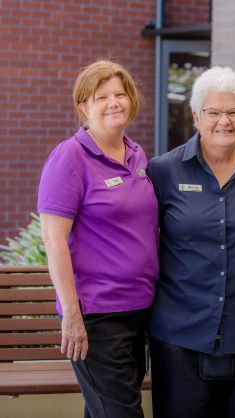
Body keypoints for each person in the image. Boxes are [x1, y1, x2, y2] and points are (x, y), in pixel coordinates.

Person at [146, 66, 235, 418]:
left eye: (234, 112)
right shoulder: (163, 171)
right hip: (180, 334)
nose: (225, 121)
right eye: (214, 112)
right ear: (196, 116)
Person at [38, 60, 159, 418]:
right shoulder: (69, 157)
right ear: (83, 108)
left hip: (140, 311)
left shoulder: (136, 155)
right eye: (101, 96)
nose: (113, 102)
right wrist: (72, 315)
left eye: (120, 94)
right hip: (97, 316)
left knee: (106, 409)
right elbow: (52, 239)